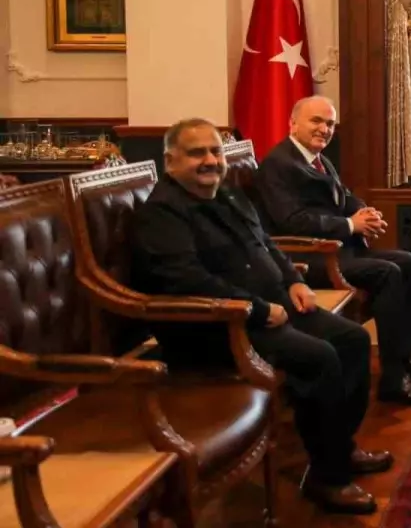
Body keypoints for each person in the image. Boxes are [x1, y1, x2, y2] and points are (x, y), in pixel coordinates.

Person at [131, 118, 388, 515]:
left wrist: (293, 281)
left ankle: (341, 447)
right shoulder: (162, 214)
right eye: (197, 153)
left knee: (353, 340)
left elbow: (264, 243)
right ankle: (328, 478)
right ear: (171, 161)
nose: (210, 160)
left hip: (273, 306)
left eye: (215, 151)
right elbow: (188, 280)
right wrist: (257, 308)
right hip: (220, 327)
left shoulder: (226, 194)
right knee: (320, 358)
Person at [254, 96, 411, 406]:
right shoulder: (278, 164)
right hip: (310, 259)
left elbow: (344, 196)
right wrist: (351, 225)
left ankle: (405, 357)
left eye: (329, 124)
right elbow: (292, 221)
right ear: (293, 123)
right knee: (387, 273)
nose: (324, 129)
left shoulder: (318, 158)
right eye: (316, 121)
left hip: (342, 250)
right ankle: (393, 380)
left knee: (407, 261)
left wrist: (365, 212)